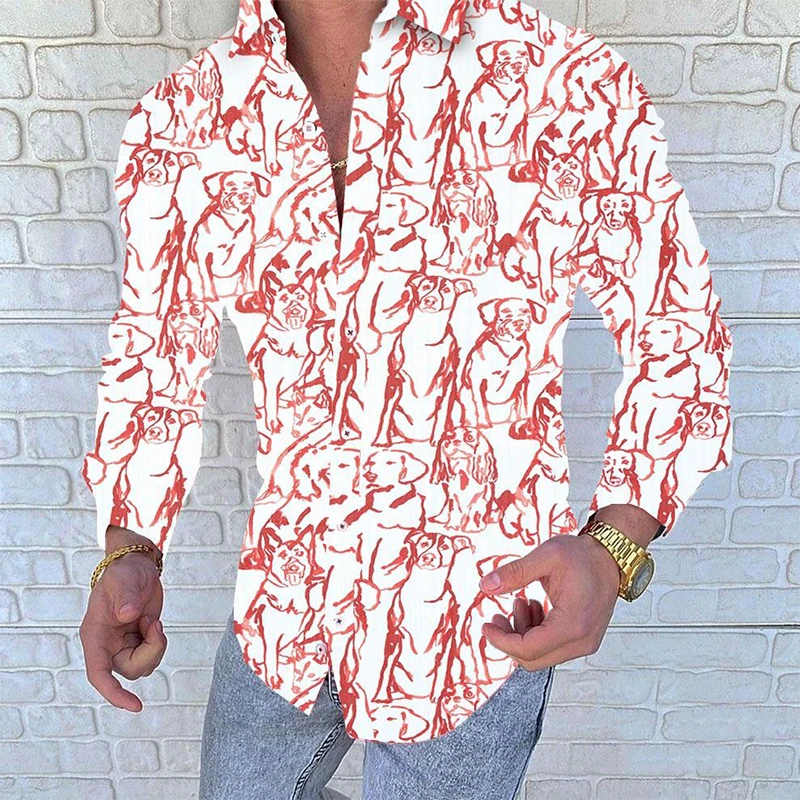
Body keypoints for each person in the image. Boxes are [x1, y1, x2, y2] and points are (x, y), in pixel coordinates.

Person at [79, 1, 733, 798]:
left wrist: (613, 546)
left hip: (479, 620)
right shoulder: (183, 115)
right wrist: (130, 548)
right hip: (285, 603)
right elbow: (156, 354)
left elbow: (680, 333)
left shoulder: (565, 83)